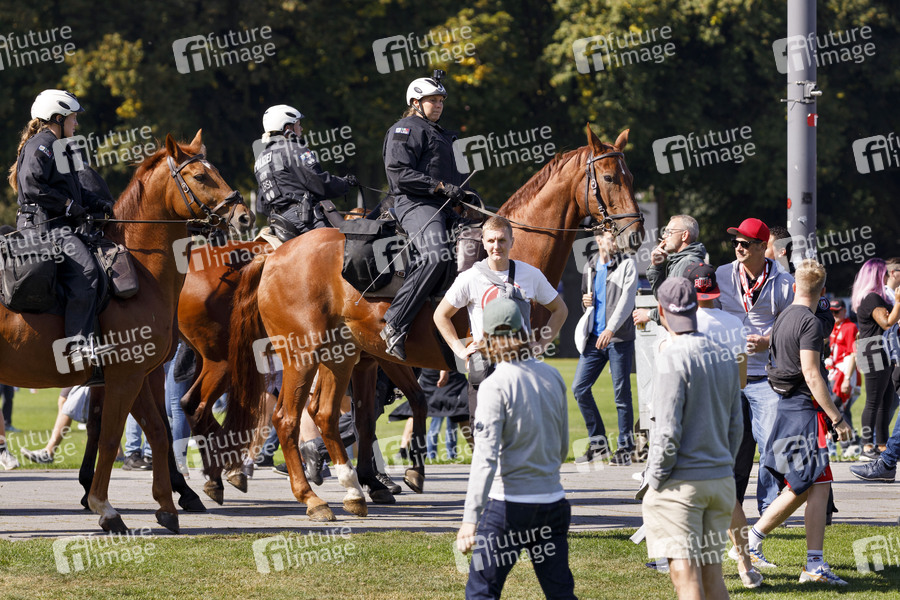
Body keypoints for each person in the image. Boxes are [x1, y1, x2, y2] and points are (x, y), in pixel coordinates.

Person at [456, 298, 576, 600]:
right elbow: (562, 447)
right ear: (524, 331)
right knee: (560, 593)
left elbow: (484, 459)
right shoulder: (552, 376)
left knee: (481, 592)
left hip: (508, 506)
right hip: (553, 502)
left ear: (487, 337)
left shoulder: (494, 386)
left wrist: (470, 519)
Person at [750, 259, 852, 586]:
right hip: (803, 411)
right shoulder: (809, 322)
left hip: (788, 406)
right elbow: (811, 373)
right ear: (822, 292)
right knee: (808, 483)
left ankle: (808, 561)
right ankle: (804, 562)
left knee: (813, 484)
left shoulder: (783, 316)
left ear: (795, 286)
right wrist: (837, 417)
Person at [641, 277, 742, 599]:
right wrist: (722, 464)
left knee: (685, 578)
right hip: (720, 480)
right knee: (713, 576)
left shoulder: (670, 356)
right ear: (695, 307)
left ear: (661, 311)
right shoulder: (724, 354)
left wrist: (654, 479)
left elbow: (667, 430)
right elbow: (736, 425)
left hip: (681, 484)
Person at [8, 90, 115, 377]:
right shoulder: (42, 144)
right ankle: (77, 345)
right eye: (73, 118)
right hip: (43, 227)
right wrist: (68, 206)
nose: (76, 124)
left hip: (58, 225)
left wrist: (101, 204)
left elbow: (76, 192)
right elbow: (32, 185)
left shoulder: (62, 149)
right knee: (88, 270)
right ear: (57, 118)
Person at [434, 216, 567, 423]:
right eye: (491, 240)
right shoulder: (469, 277)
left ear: (512, 242)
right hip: (484, 368)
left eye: (502, 240)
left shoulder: (531, 274)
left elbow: (560, 310)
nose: (496, 246)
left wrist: (542, 344)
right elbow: (440, 315)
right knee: (482, 431)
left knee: (521, 430)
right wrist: (460, 350)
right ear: (483, 243)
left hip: (521, 366)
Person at [380, 72, 472, 360]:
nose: (439, 105)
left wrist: (467, 194)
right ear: (415, 103)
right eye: (433, 100)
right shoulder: (405, 129)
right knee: (435, 254)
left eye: (441, 100)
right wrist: (440, 187)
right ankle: (394, 323)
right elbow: (399, 173)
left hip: (444, 207)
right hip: (414, 204)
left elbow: (452, 176)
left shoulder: (441, 133)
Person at [715, 218, 795, 519]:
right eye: (736, 242)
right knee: (730, 446)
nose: (738, 247)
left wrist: (767, 341)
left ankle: (769, 510)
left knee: (771, 444)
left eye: (745, 243)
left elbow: (791, 326)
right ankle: (728, 507)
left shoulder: (784, 281)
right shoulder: (722, 274)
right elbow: (710, 314)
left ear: (763, 247)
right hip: (729, 373)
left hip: (766, 377)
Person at [571, 229, 637, 465]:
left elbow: (627, 301)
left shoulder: (627, 264)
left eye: (618, 238)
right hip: (594, 338)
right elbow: (587, 300)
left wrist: (611, 329)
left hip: (619, 338)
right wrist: (585, 302)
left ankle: (625, 448)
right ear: (598, 240)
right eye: (611, 238)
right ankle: (599, 445)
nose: (616, 243)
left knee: (621, 395)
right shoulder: (590, 265)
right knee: (579, 388)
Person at [253, 104, 355, 239]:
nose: (301, 128)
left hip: (278, 223)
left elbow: (261, 206)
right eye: (298, 124)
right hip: (304, 219)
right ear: (288, 128)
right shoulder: (293, 148)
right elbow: (317, 181)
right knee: (349, 243)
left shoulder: (260, 160)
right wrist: (345, 183)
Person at [850, 258, 900, 460]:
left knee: (885, 402)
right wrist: (898, 302)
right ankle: (867, 445)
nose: (887, 276)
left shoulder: (877, 298)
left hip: (881, 351)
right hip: (873, 352)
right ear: (877, 275)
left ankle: (881, 445)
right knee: (873, 401)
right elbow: (887, 322)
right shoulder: (871, 298)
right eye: (885, 273)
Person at [632, 214, 705, 326]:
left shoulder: (688, 263)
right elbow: (664, 298)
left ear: (684, 235)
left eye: (668, 232)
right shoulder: (680, 262)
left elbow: (678, 307)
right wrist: (655, 266)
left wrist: (649, 314)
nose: (663, 236)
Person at [825, 299, 861, 457]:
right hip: (834, 372)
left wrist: (847, 378)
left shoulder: (850, 327)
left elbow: (853, 354)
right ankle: (851, 444)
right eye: (832, 312)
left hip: (845, 372)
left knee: (836, 407)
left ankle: (851, 442)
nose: (834, 315)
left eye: (837, 311)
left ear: (845, 311)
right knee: (841, 409)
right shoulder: (833, 326)